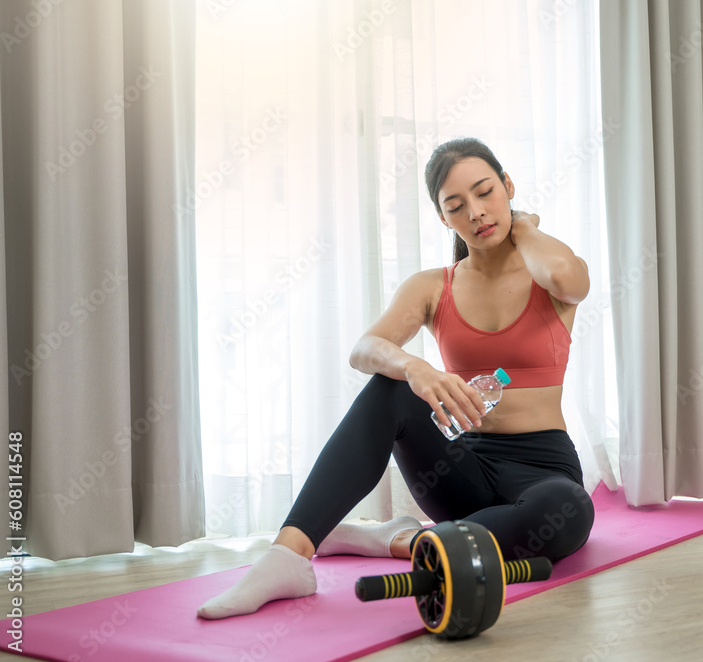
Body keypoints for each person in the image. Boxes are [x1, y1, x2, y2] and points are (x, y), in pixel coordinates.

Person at [198, 137, 594, 620]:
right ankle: (288, 556)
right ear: (443, 218)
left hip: (543, 470)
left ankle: (399, 539)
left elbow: (567, 276)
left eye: (486, 192)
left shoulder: (548, 272)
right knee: (391, 387)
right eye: (456, 205)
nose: (476, 212)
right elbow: (364, 349)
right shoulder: (433, 286)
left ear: (508, 186)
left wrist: (525, 226)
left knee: (569, 509)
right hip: (459, 470)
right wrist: (416, 367)